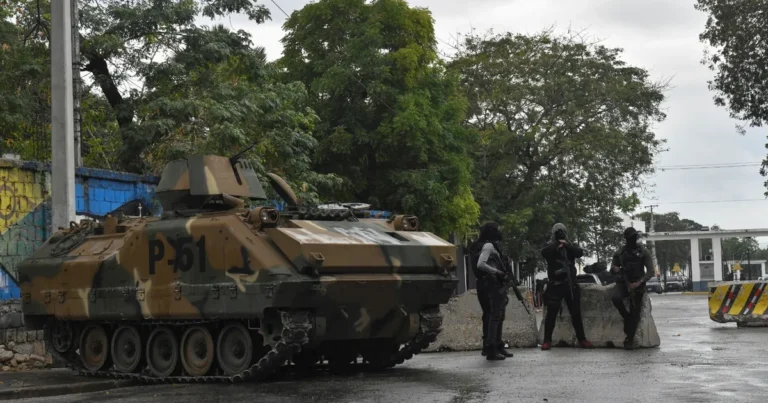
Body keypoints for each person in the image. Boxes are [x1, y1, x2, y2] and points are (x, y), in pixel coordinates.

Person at [540, 223, 594, 350]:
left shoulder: (569, 245)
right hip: (555, 285)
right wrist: (556, 245)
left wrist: (566, 245)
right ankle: (547, 340)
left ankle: (582, 339)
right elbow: (544, 253)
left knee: (576, 313)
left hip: (571, 284)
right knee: (551, 314)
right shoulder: (550, 246)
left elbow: (579, 252)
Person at [470, 222, 514, 360]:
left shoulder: (479, 245)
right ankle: (492, 347)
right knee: (495, 316)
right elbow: (481, 264)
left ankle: (492, 346)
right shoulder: (488, 246)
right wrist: (498, 272)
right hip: (491, 284)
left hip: (483, 284)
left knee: (490, 315)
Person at [610, 227, 655, 350]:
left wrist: (640, 282)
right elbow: (612, 268)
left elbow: (651, 271)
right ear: (626, 239)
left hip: (637, 284)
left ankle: (629, 338)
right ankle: (626, 317)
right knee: (615, 298)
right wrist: (615, 269)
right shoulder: (620, 252)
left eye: (634, 237)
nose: (633, 240)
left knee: (635, 311)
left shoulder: (643, 252)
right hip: (624, 282)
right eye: (631, 238)